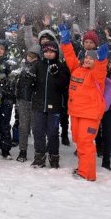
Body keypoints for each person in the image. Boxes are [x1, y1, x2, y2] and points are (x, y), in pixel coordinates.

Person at [60, 24, 108, 182]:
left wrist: (101, 61)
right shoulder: (77, 68)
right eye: (86, 57)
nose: (88, 60)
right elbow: (69, 56)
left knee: (86, 143)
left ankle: (86, 174)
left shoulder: (96, 75)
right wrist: (66, 42)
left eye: (91, 58)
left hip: (90, 114)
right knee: (79, 142)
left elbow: (101, 70)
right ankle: (84, 169)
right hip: (75, 113)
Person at [30, 40, 69, 168]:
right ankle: (39, 157)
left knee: (53, 132)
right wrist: (29, 79)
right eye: (46, 51)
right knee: (38, 131)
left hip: (55, 105)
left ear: (56, 52)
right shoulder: (37, 65)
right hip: (38, 104)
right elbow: (31, 84)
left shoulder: (61, 66)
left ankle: (54, 157)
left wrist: (57, 75)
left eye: (51, 51)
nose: (48, 54)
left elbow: (64, 85)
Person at [13, 44, 40, 162]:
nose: (31, 58)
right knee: (23, 127)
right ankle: (22, 151)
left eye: (34, 56)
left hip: (35, 101)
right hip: (22, 100)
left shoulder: (40, 67)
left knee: (37, 128)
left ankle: (39, 151)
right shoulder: (22, 66)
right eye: (30, 55)